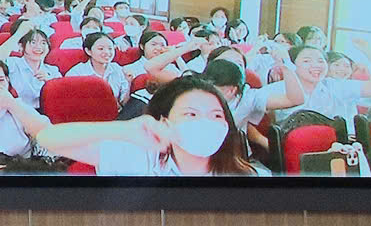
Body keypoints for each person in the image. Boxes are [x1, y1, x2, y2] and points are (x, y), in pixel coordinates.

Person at [39, 74, 258, 175]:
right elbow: (48, 139)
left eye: (216, 116)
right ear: (164, 121)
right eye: (191, 114)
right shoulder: (137, 159)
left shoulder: (248, 177)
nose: (205, 124)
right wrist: (124, 129)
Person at [3, 25, 60, 108]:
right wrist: (18, 34)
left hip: (46, 113)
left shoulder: (53, 70)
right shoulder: (12, 63)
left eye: (43, 43)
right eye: (33, 42)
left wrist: (50, 82)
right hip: (17, 111)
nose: (39, 47)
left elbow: (62, 97)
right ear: (21, 46)